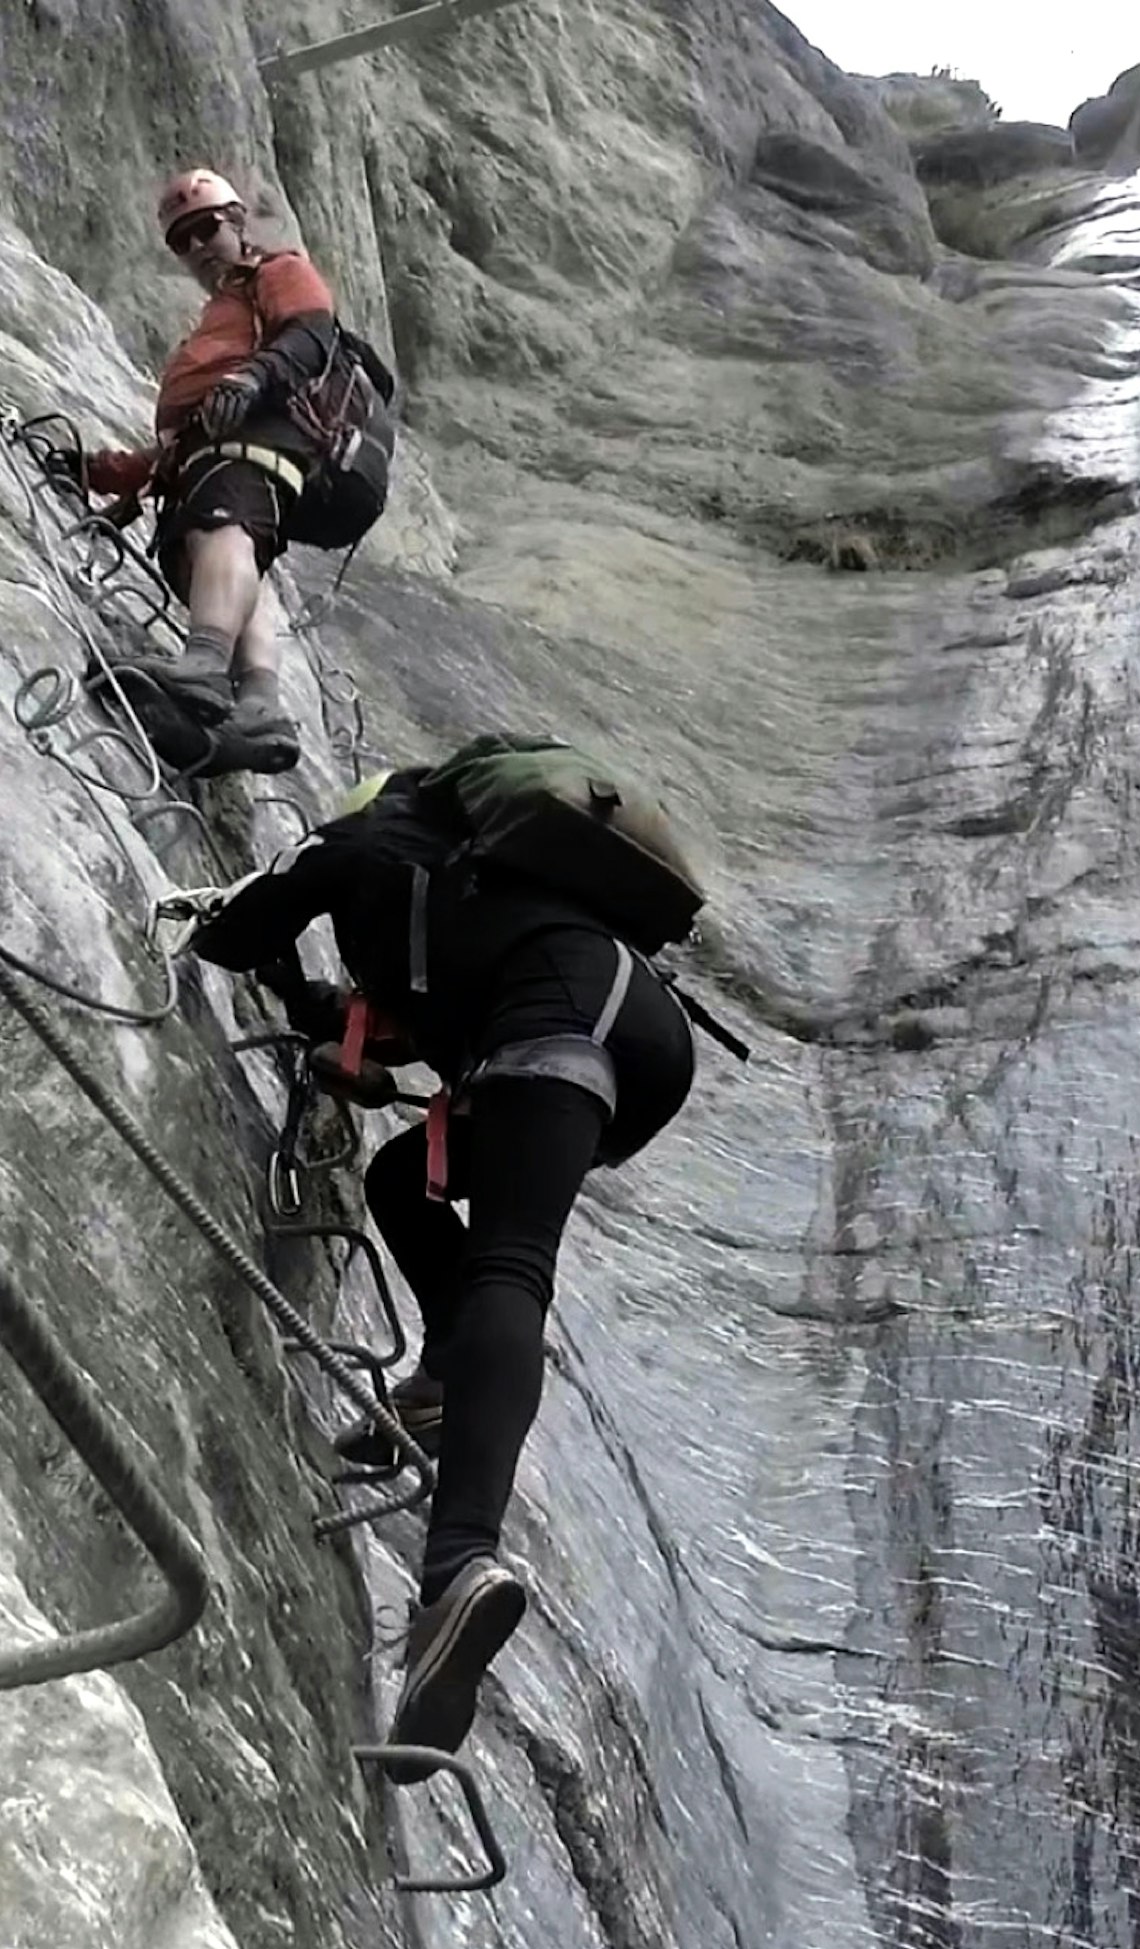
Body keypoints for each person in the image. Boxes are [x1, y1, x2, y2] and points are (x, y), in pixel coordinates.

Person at [178, 766, 699, 1771]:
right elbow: (392, 1021)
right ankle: (444, 1380)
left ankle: (457, 1568)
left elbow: (237, 928)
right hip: (637, 1042)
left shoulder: (360, 845)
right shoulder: (475, 894)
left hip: (558, 1026)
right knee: (401, 1180)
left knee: (511, 1259)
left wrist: (242, 932)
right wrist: (322, 1011)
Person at [68, 168, 352, 770]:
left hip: (252, 438)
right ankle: (258, 707)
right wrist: (99, 474)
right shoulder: (226, 310)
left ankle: (202, 664)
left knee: (222, 530)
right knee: (235, 553)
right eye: (182, 240)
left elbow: (313, 333)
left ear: (238, 221)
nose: (197, 247)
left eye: (206, 229)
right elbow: (172, 456)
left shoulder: (277, 272)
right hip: (215, 451)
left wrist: (253, 377)